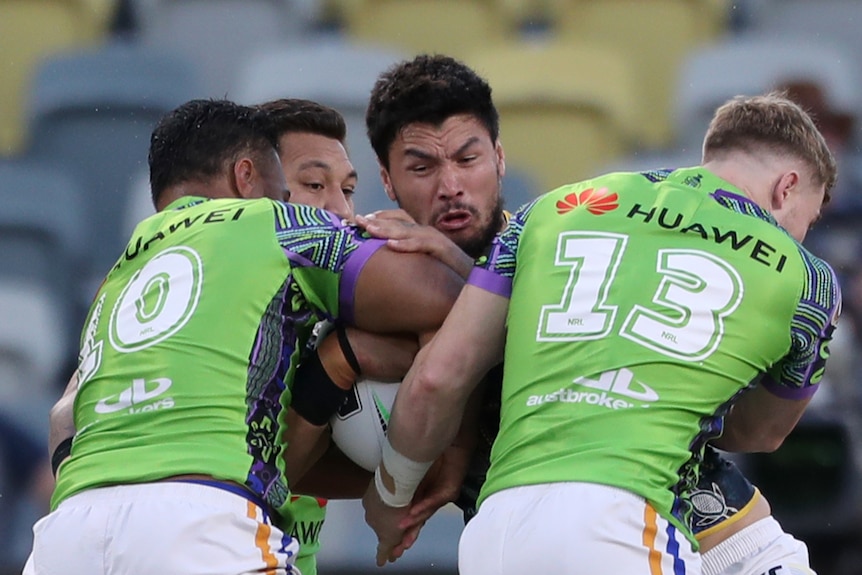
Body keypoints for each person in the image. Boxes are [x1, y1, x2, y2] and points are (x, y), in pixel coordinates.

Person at [361, 91, 842, 574]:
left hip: (495, 530)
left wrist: (389, 498)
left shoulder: (551, 209)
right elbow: (759, 432)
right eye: (810, 216)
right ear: (787, 188)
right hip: (624, 521)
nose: (802, 234)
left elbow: (437, 378)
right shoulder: (807, 277)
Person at [24, 98, 464, 575]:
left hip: (69, 531)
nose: (333, 208)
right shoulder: (273, 225)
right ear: (246, 177)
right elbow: (453, 302)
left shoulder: (121, 272)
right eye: (300, 188)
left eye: (348, 190)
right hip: (202, 524)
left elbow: (63, 417)